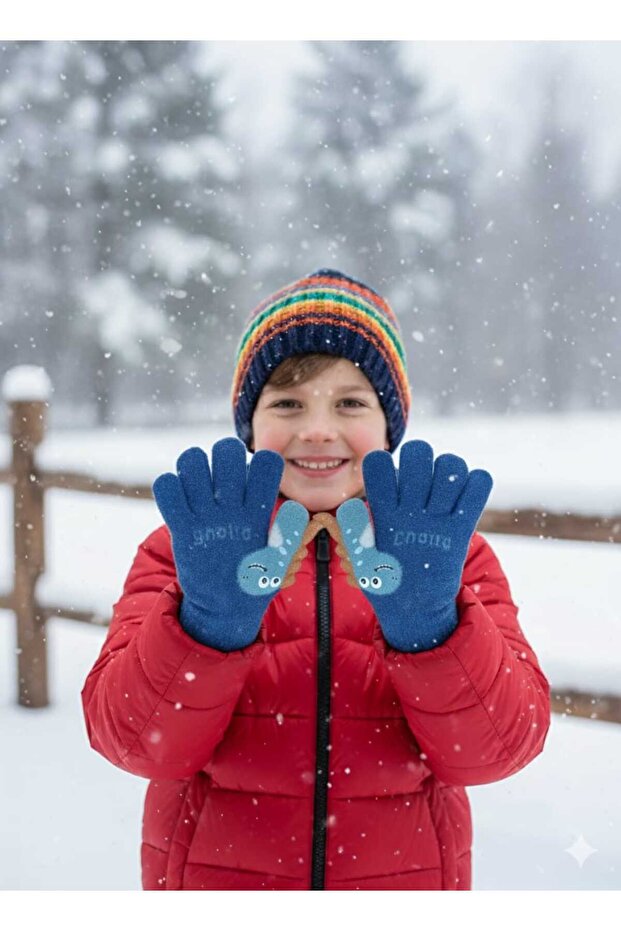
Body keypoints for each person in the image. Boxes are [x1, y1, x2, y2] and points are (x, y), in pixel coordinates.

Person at [81, 267, 551, 891]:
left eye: (351, 402)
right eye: (287, 403)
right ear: (250, 425)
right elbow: (135, 743)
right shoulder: (181, 552)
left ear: (391, 426)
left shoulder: (455, 559)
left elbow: (497, 751)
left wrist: (432, 629)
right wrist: (208, 626)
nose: (318, 429)